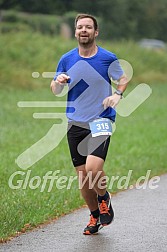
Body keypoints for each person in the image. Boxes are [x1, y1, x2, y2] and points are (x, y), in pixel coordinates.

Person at [50, 13, 129, 235]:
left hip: (101, 120)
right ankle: (95, 216)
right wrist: (57, 82)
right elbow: (55, 89)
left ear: (96, 32)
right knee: (84, 178)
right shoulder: (67, 59)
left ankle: (104, 198)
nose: (83, 30)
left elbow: (122, 79)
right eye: (80, 27)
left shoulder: (106, 58)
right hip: (75, 123)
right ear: (75, 32)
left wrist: (117, 96)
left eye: (88, 27)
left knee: (94, 168)